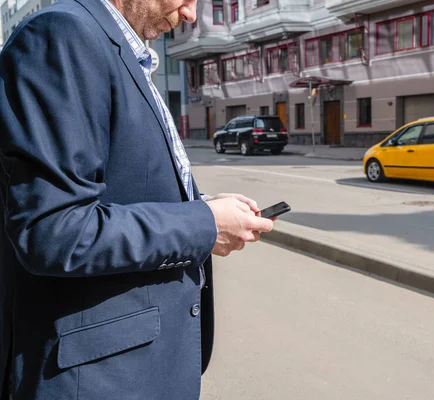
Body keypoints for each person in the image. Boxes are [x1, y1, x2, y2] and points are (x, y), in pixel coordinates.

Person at [0, 0, 274, 398]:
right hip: (98, 380)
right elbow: (54, 230)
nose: (191, 15)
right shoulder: (63, 36)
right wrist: (204, 223)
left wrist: (201, 204)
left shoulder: (114, 46)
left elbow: (123, 183)